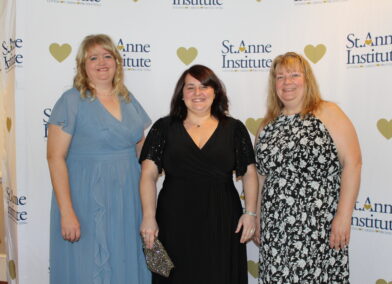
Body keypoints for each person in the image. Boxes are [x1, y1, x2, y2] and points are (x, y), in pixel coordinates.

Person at [139, 64, 258, 284]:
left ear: (215, 92)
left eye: (204, 86)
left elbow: (249, 173)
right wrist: (148, 216)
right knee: (173, 276)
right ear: (181, 94)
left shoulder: (234, 128)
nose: (197, 93)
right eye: (190, 87)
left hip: (222, 218)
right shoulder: (163, 128)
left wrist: (250, 213)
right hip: (172, 220)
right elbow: (148, 175)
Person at [47, 34, 151, 284]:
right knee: (86, 266)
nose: (101, 62)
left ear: (117, 62)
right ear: (83, 65)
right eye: (93, 57)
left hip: (127, 199)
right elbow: (54, 157)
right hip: (85, 199)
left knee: (125, 260)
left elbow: (142, 150)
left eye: (107, 56)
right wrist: (67, 212)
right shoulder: (70, 101)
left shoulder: (128, 99)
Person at [254, 52, 362, 284]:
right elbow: (262, 178)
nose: (287, 82)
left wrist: (343, 216)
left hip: (319, 226)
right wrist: (258, 219)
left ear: (307, 79)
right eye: (280, 77)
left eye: (294, 75)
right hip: (277, 229)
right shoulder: (267, 125)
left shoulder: (328, 112)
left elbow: (353, 163)